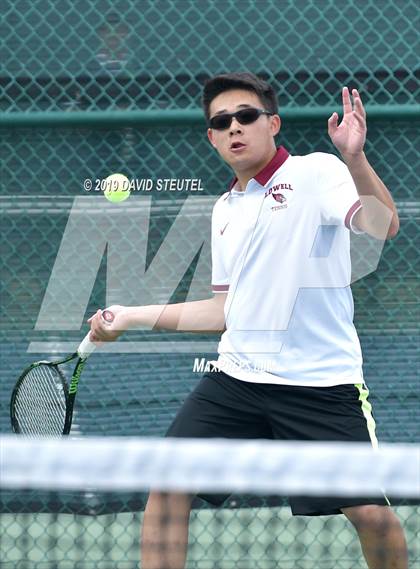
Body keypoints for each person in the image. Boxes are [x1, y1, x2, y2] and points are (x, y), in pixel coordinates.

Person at [88, 73, 408, 569]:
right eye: (222, 121)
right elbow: (225, 311)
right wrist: (130, 315)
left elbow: (382, 224)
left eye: (246, 116)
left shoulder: (317, 172)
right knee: (169, 485)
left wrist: (356, 157)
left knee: (371, 515)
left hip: (321, 383)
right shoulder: (224, 211)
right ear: (212, 137)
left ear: (273, 123)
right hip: (237, 380)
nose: (235, 127)